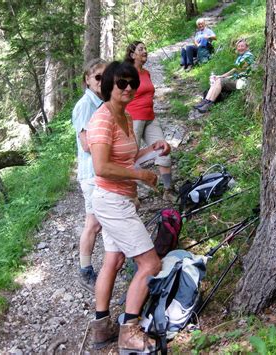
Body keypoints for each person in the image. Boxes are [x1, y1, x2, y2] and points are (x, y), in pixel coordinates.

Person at [87, 61, 169, 353]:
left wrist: (153, 149)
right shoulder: (103, 119)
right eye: (122, 83)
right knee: (149, 263)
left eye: (132, 82)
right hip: (111, 201)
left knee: (114, 260)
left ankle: (101, 327)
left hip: (120, 198)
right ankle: (129, 331)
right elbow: (101, 166)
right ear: (109, 86)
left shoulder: (125, 115)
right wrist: (140, 175)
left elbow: (127, 159)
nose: (129, 88)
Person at [71, 58, 106, 293]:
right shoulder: (86, 105)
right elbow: (85, 144)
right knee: (93, 223)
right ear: (87, 80)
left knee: (96, 221)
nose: (102, 82)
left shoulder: (100, 103)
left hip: (99, 170)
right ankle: (85, 270)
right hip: (92, 173)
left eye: (106, 77)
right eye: (97, 77)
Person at [124, 41, 175, 202]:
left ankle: (168, 190)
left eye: (145, 48)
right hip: (134, 119)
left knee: (163, 149)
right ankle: (131, 196)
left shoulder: (146, 73)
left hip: (150, 118)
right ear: (132, 55)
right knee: (130, 157)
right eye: (141, 49)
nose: (145, 51)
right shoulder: (126, 74)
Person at [194, 39, 254, 113]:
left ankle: (210, 104)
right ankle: (206, 101)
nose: (240, 48)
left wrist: (222, 76)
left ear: (247, 47)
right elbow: (236, 73)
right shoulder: (240, 57)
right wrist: (220, 76)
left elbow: (238, 69)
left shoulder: (249, 56)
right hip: (238, 79)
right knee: (217, 80)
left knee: (220, 80)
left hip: (243, 81)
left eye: (242, 46)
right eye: (238, 46)